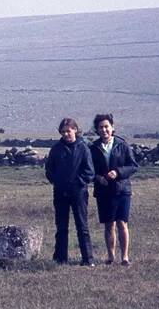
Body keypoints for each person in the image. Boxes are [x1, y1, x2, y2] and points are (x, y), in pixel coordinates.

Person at [44, 117, 96, 266]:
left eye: (69, 131)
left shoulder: (83, 147)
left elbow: (90, 171)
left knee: (82, 226)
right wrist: (57, 181)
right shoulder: (56, 149)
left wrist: (78, 182)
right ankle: (60, 259)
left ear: (75, 130)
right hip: (60, 192)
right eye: (63, 131)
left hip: (79, 192)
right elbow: (49, 170)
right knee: (61, 227)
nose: (66, 134)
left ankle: (88, 259)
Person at [90, 113, 138, 265]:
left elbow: (132, 166)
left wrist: (118, 172)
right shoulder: (93, 148)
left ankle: (124, 257)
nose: (104, 130)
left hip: (122, 190)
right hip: (104, 191)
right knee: (109, 224)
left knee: (122, 223)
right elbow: (89, 170)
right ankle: (110, 256)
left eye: (106, 126)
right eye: (100, 127)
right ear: (97, 130)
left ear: (112, 127)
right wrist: (99, 178)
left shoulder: (122, 145)